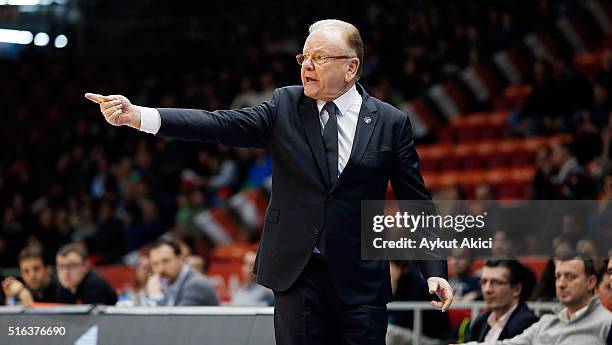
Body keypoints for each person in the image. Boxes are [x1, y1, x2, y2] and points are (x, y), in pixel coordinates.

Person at [85, 18, 452, 344]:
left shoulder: (391, 122)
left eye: (320, 58)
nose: (307, 66)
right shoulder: (285, 105)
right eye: (304, 58)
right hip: (297, 273)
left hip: (360, 279)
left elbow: (415, 200)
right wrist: (139, 117)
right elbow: (218, 124)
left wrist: (434, 270)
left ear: (351, 67)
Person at [456, 256, 612, 345]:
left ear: (591, 282)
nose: (562, 284)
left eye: (571, 277)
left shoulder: (607, 323)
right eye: (558, 277)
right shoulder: (546, 322)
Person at [466, 259, 538, 342]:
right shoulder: (481, 320)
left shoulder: (528, 323)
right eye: (484, 282)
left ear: (517, 289)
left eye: (496, 282)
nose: (487, 290)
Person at [145, 239, 219, 306]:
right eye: (155, 264)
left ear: (180, 259)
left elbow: (174, 320)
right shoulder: (166, 283)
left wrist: (156, 297)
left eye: (166, 261)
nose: (161, 269)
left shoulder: (197, 285)